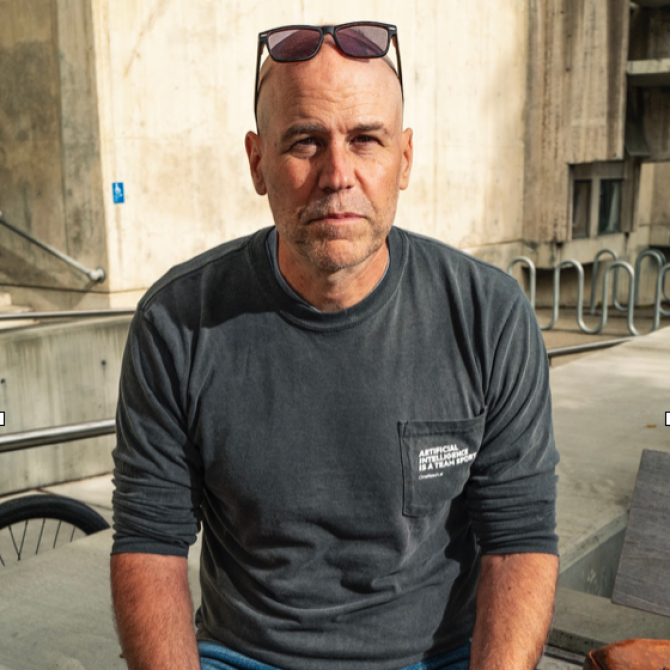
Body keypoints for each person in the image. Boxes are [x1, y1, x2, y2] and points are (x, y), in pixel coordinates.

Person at [110, 21, 559, 670]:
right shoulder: (177, 323)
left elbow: (519, 539)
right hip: (248, 657)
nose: (337, 175)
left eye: (366, 139)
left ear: (405, 159)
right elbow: (149, 542)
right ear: (257, 162)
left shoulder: (488, 318)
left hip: (438, 658)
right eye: (305, 141)